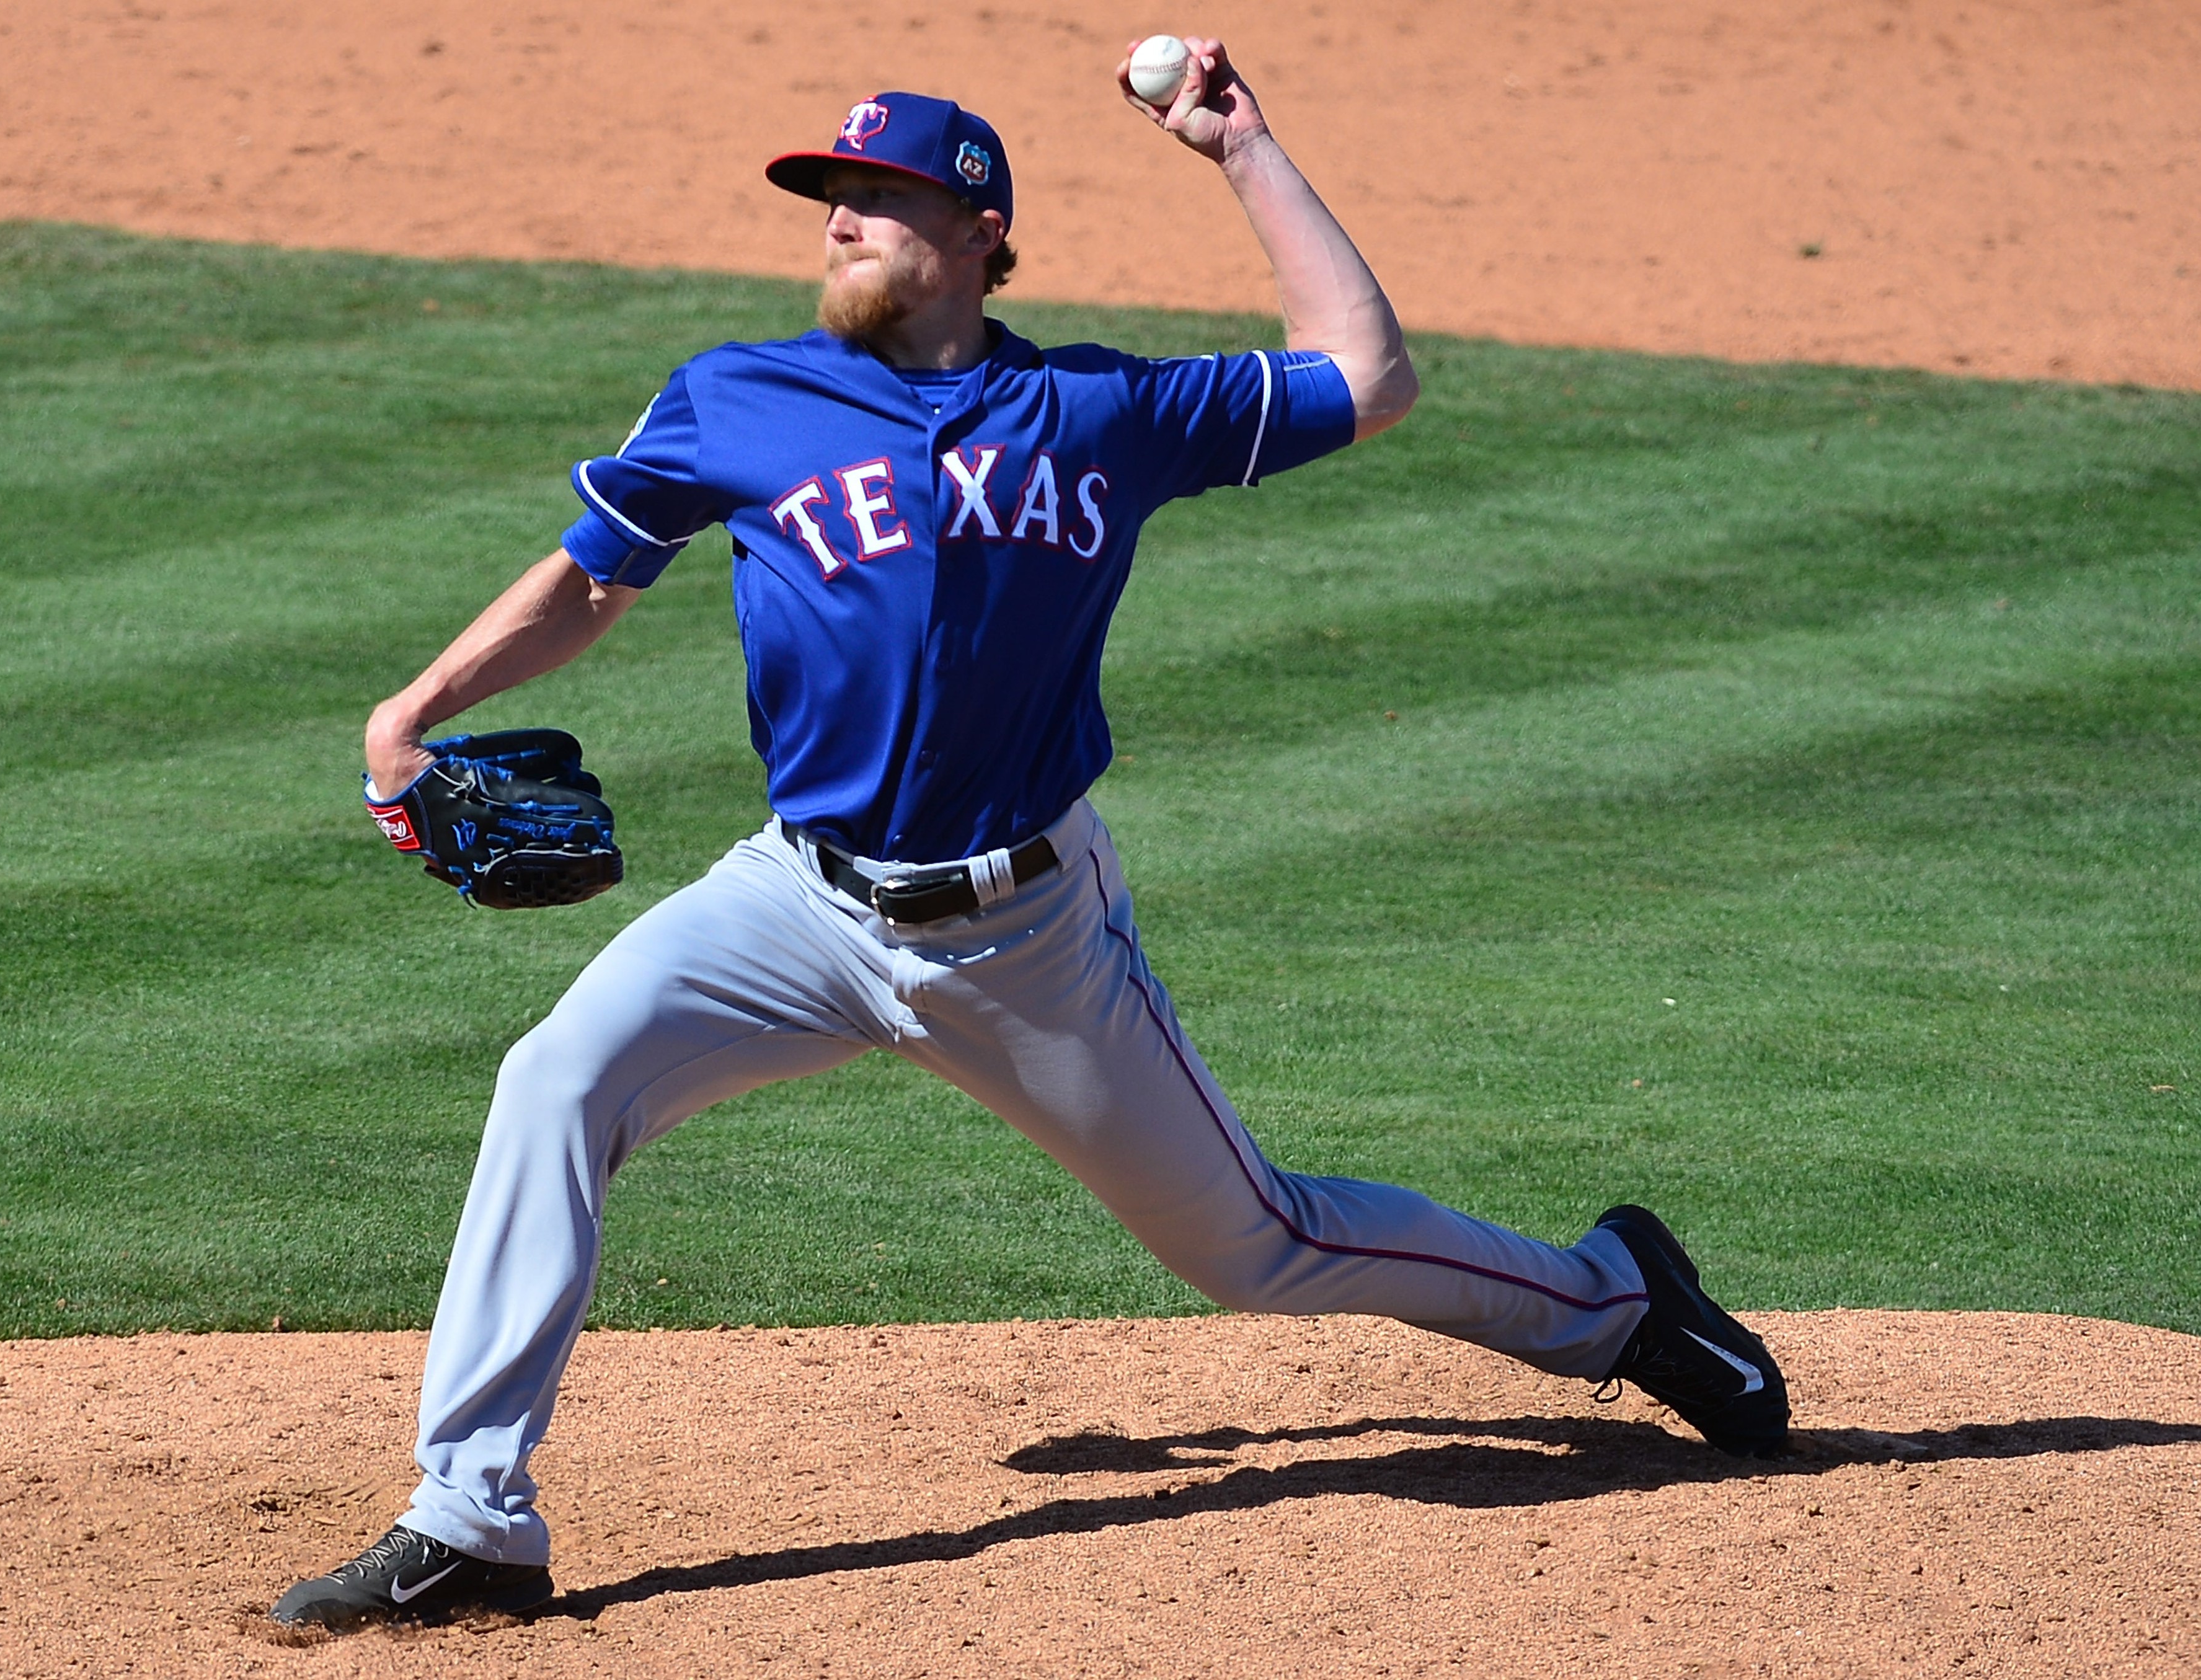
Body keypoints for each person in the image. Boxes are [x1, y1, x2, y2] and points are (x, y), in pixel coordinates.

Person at [272, 38, 1789, 1633]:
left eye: (881, 193)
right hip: (796, 904)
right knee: (554, 1078)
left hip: (1027, 940)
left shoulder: (1095, 408)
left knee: (1256, 1245)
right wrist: (411, 707)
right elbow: (594, 573)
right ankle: (474, 1511)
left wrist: (1241, 153)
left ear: (985, 231)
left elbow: (1370, 374)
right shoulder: (737, 394)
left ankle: (1616, 1300)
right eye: (831, 193)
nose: (842, 217)